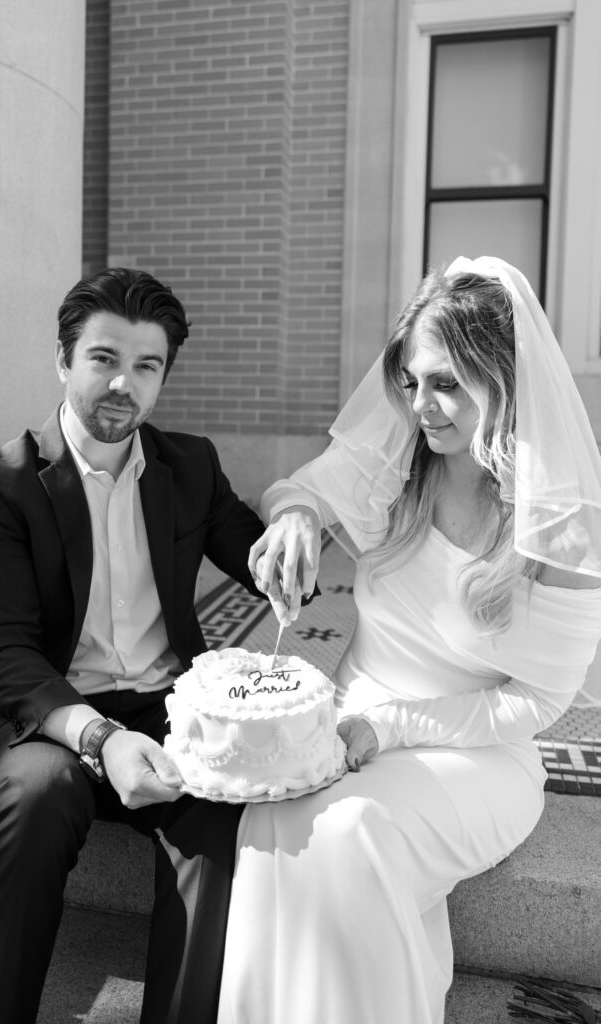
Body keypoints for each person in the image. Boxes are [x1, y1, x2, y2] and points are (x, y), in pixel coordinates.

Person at [217, 256, 601, 1024]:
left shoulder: (559, 527)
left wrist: (387, 726)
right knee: (268, 817)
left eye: (447, 384)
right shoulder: (400, 465)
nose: (420, 406)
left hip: (475, 755)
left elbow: (541, 700)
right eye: (410, 380)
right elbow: (299, 487)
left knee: (352, 831)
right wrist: (295, 515)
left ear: (503, 379)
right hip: (349, 720)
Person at [0, 267, 295, 1024]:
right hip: (48, 712)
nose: (123, 385)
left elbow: (256, 550)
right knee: (39, 795)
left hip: (168, 704)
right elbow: (2, 654)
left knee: (221, 808)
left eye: (147, 366)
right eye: (104, 358)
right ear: (63, 359)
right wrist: (99, 739)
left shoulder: (189, 465)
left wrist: (292, 538)